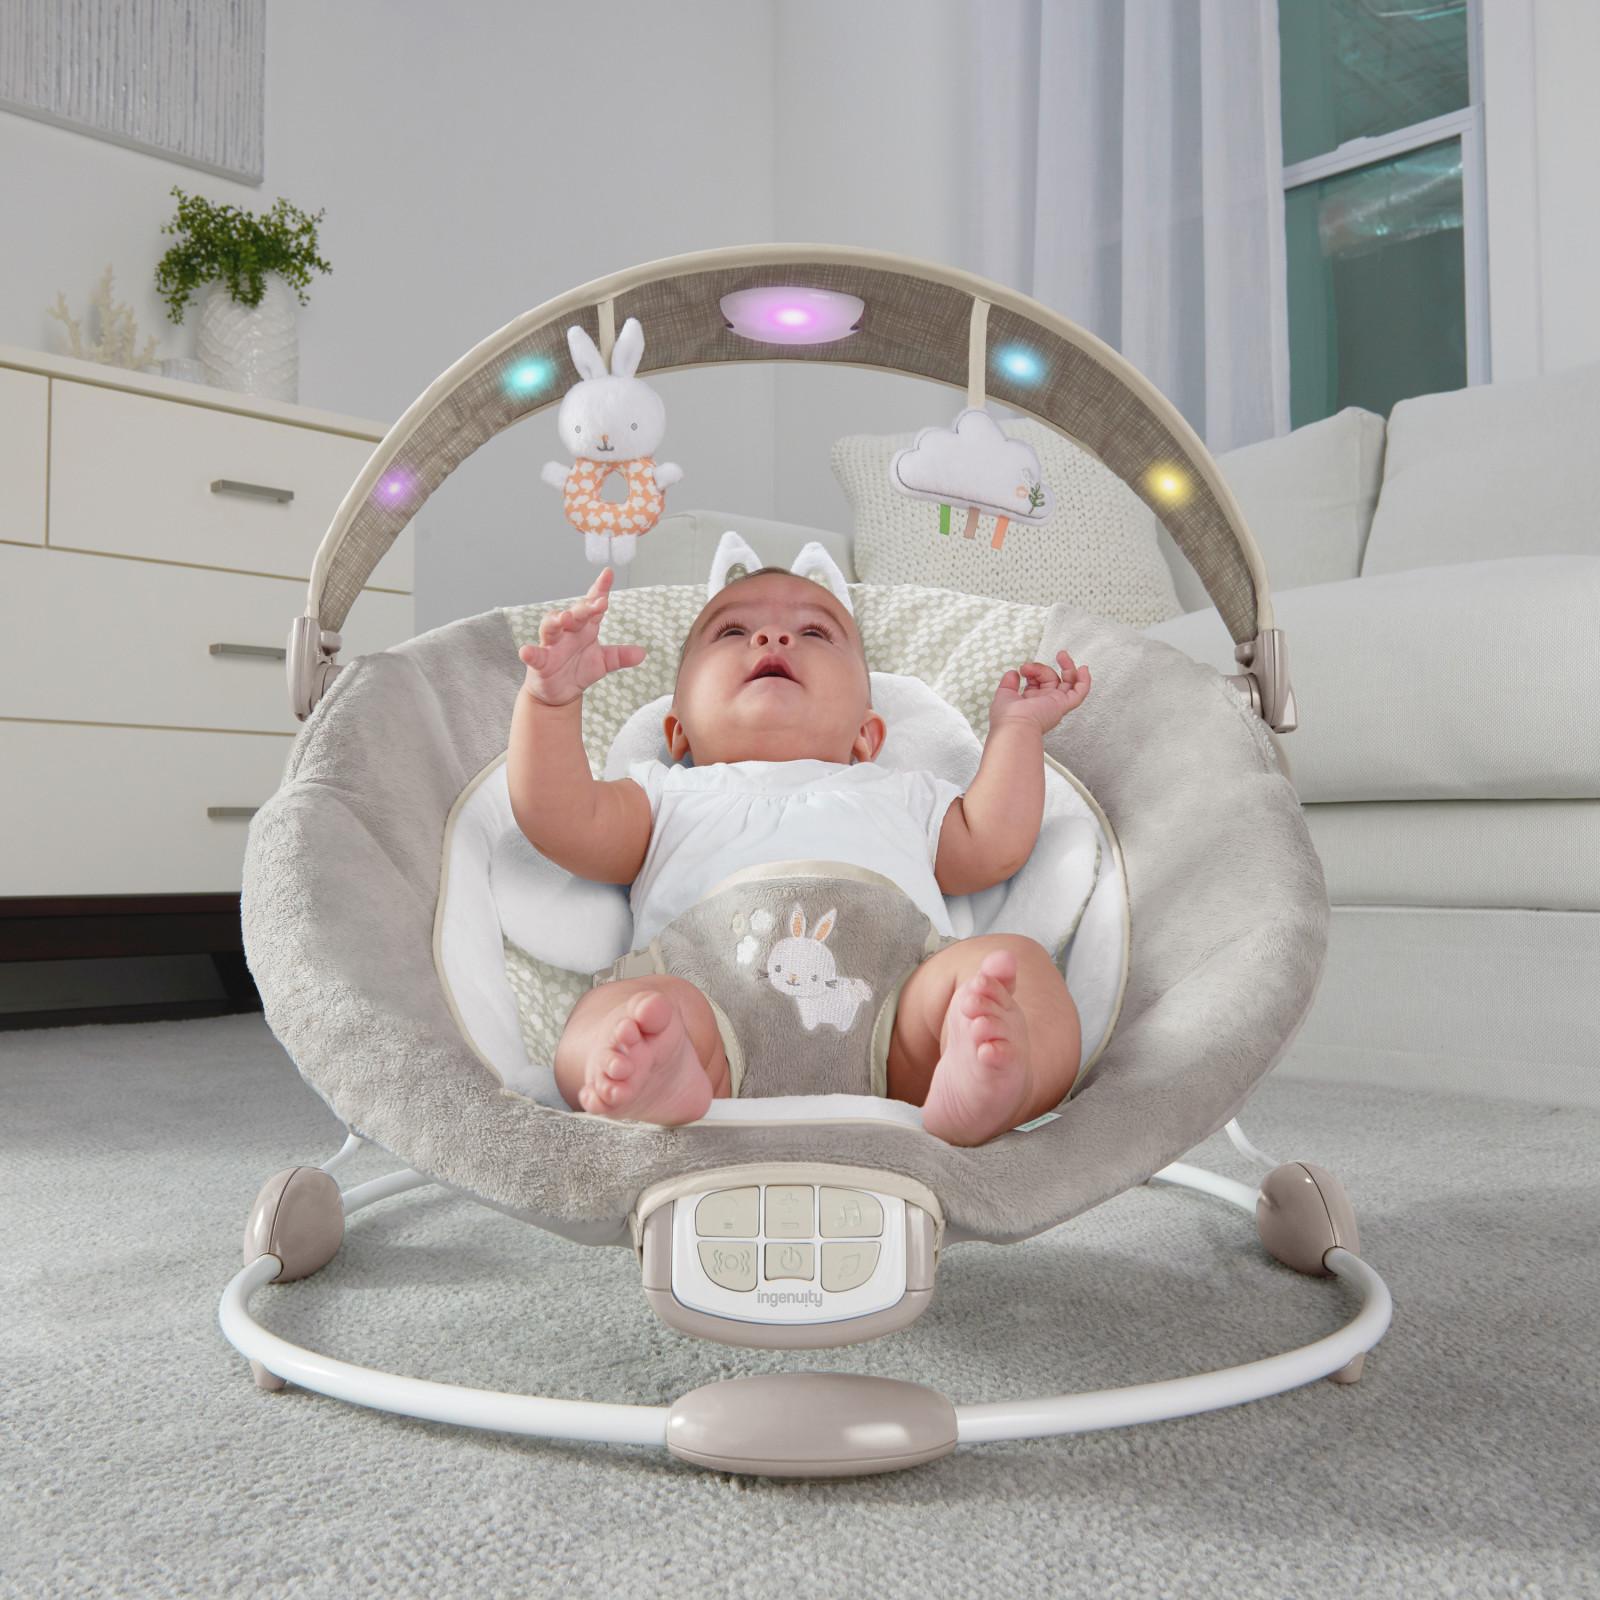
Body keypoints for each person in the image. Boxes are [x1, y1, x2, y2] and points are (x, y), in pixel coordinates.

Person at [508, 562, 1091, 1146]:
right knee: (623, 1011)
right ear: (678, 733)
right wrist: (551, 705)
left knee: (1013, 968)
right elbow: (562, 820)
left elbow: (993, 846)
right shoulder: (667, 794)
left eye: (814, 632)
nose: (773, 637)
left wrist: (1017, 730)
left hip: (895, 1027)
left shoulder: (900, 793)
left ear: (866, 736)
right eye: (732, 631)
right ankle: (660, 1079)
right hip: (707, 1016)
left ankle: (989, 1078)